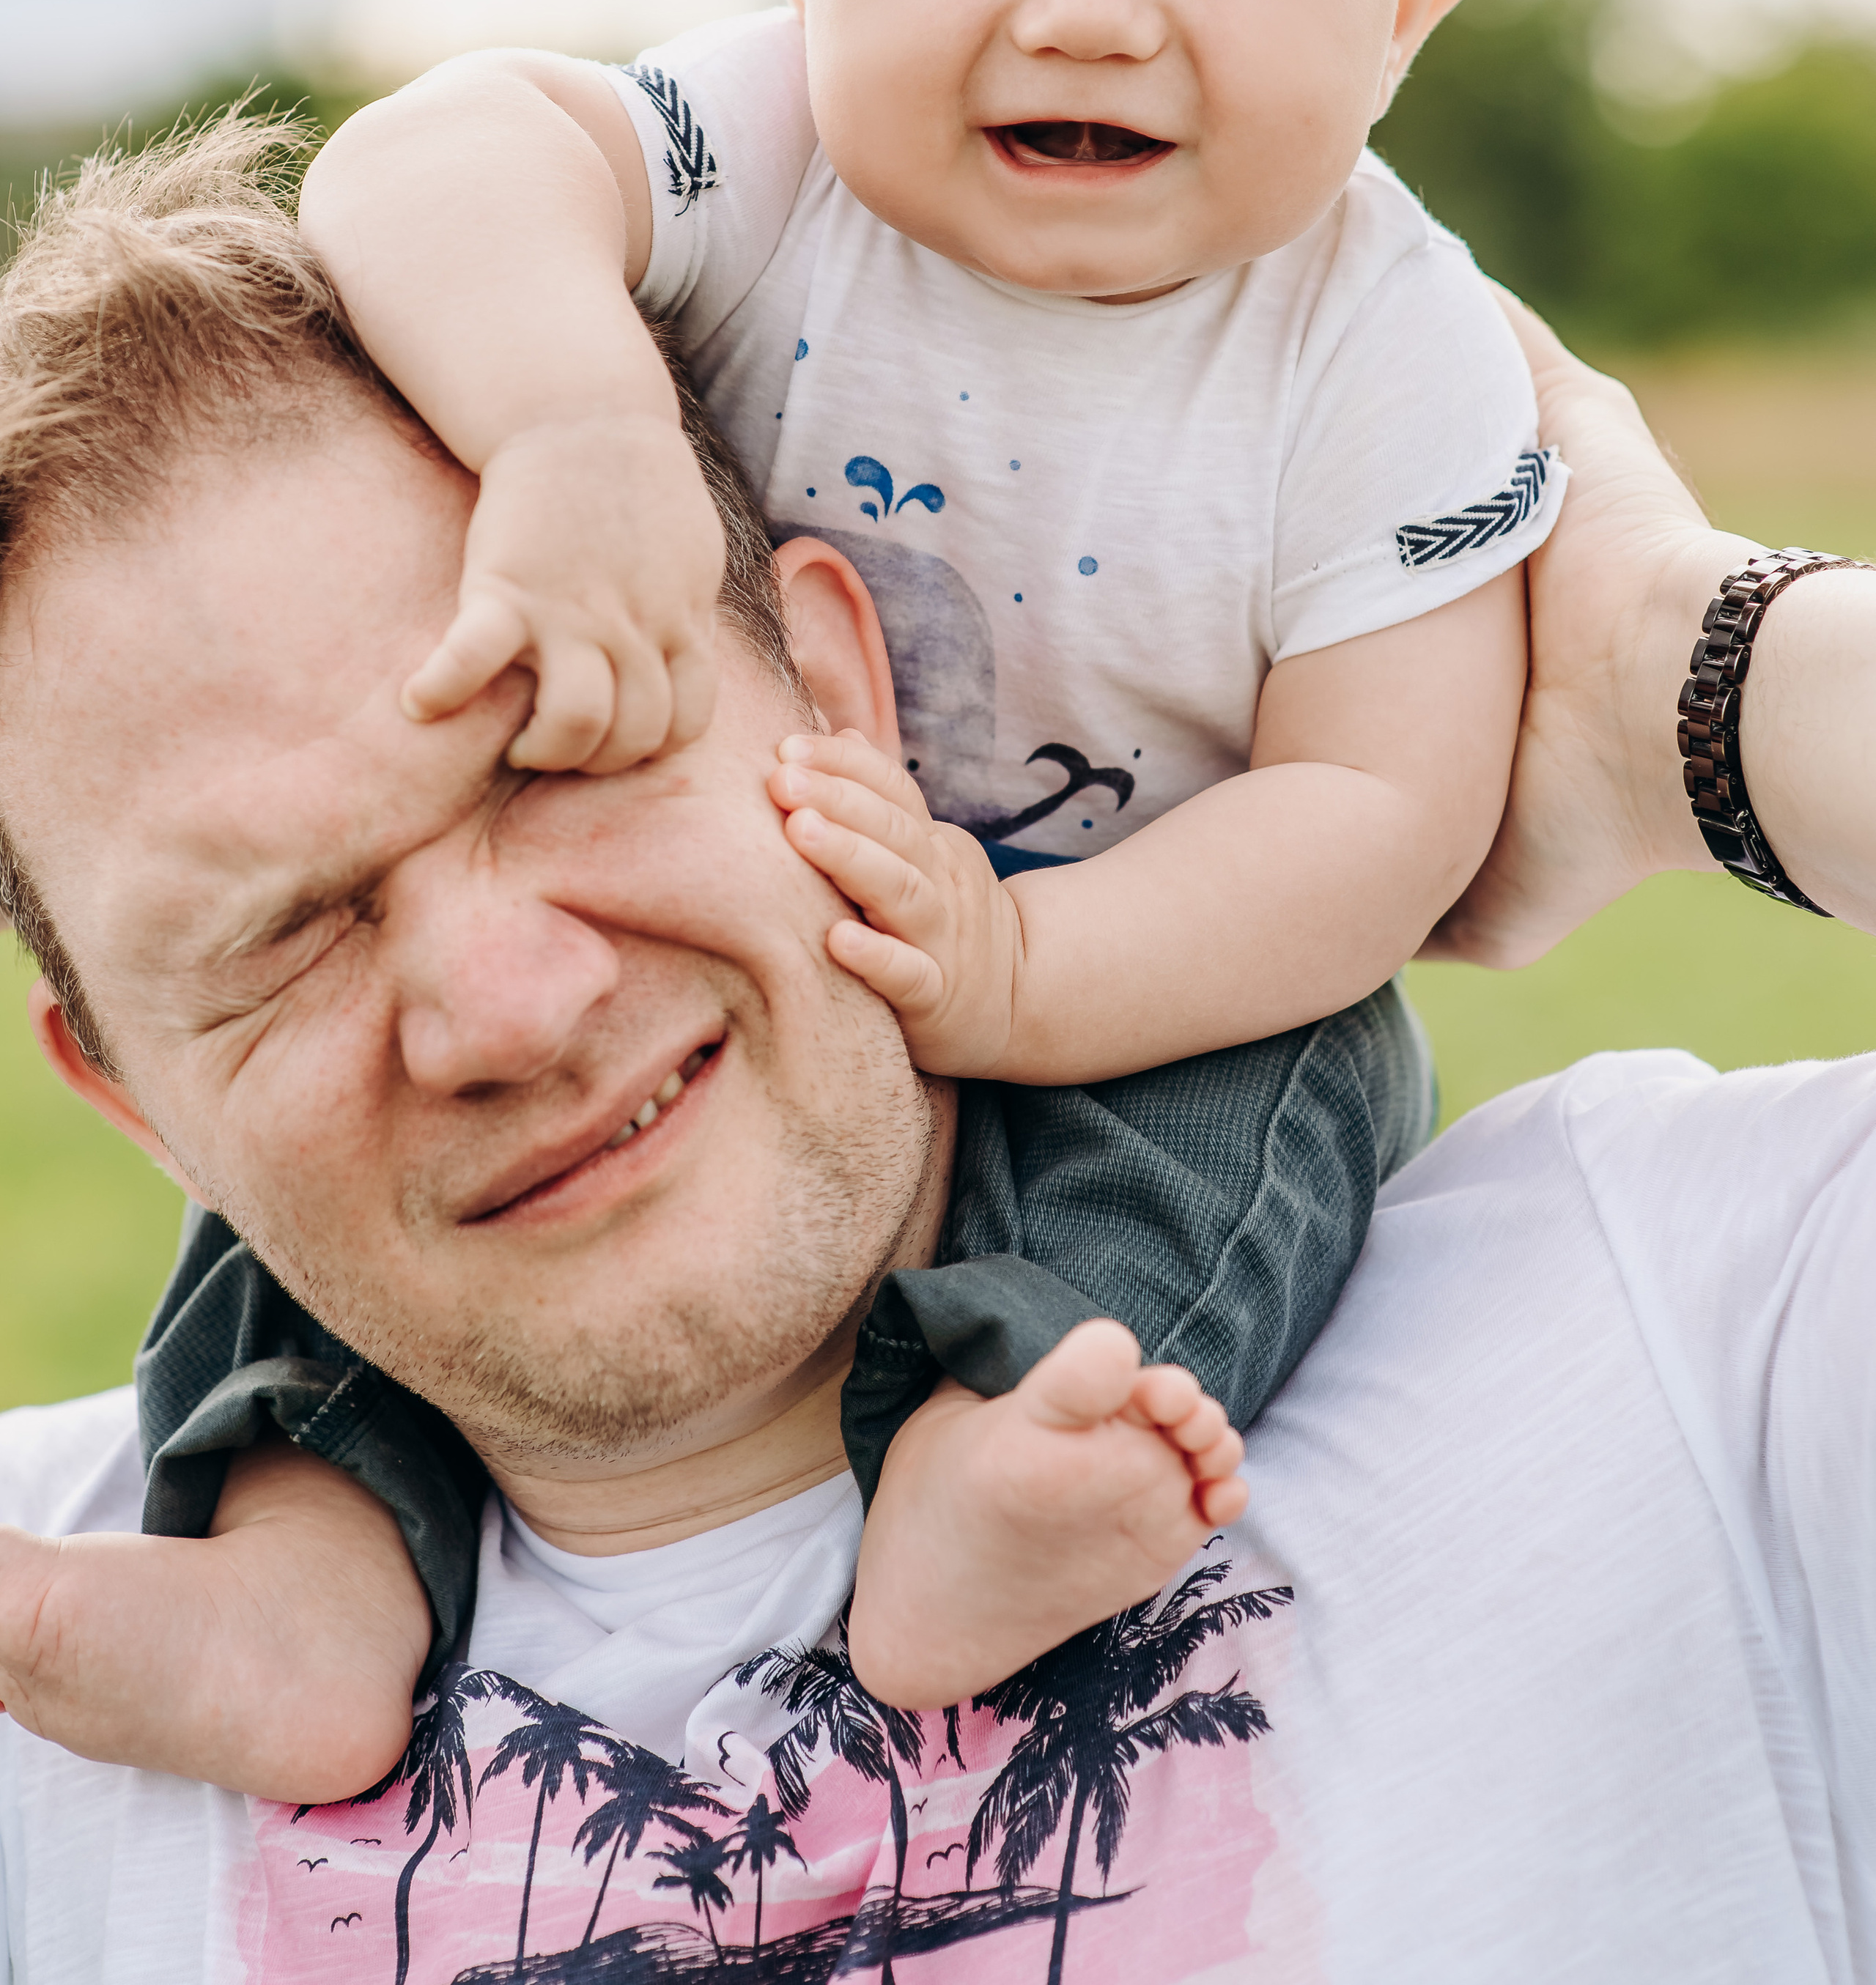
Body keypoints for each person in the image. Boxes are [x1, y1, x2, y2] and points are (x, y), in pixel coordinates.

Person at [113, 0, 1556, 1777]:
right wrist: (567, 417)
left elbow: (1382, 810)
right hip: (737, 905)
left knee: (1269, 1107)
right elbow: (426, 159)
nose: (1086, 4)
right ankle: (283, 1590)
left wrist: (1018, 978)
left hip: (1143, 959)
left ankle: (983, 1481)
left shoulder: (1383, 340)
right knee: (320, 1160)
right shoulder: (776, 152)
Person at [5, 118, 1876, 1983]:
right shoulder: (55, 1641)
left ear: (841, 687)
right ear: (128, 1099)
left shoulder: (1686, 1339)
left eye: (563, 751)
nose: (505, 1006)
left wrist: (1685, 680)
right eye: (277, 935)